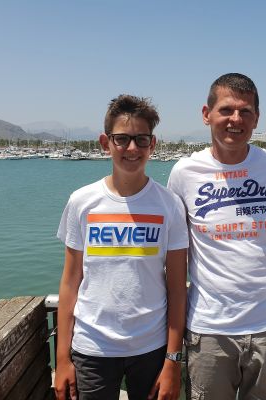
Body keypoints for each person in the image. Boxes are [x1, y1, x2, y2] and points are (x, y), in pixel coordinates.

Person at [167, 73, 266, 399]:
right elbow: (174, 254)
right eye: (226, 110)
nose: (236, 119)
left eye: (245, 111)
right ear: (207, 114)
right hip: (209, 330)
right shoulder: (184, 172)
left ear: (257, 118)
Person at [55, 94, 188, 400]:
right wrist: (62, 358)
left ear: (152, 145)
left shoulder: (169, 205)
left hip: (152, 347)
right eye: (122, 139)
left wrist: (173, 360)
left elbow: (177, 288)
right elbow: (70, 282)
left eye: (141, 139)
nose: (132, 148)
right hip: (92, 347)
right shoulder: (82, 202)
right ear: (106, 143)